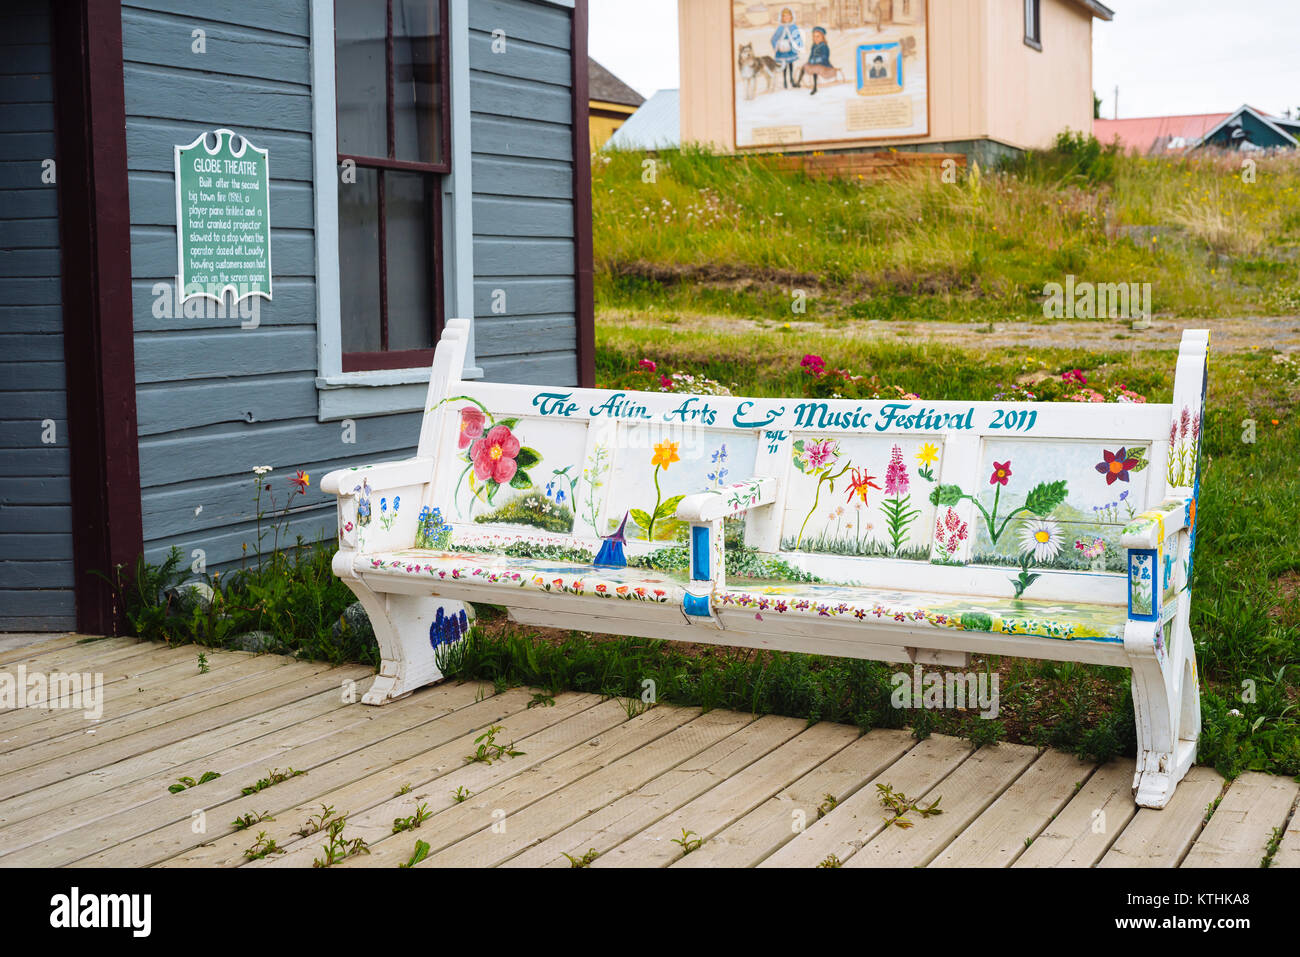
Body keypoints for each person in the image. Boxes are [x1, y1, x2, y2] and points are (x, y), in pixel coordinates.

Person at [770, 7, 803, 89]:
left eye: (788, 16)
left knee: (791, 64)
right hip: (782, 50)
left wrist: (798, 45)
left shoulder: (793, 27)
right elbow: (774, 38)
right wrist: (777, 45)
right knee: (784, 66)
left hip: (790, 50)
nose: (786, 18)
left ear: (791, 17)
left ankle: (791, 79)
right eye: (784, 16)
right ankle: (785, 81)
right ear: (782, 18)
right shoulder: (780, 28)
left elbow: (797, 36)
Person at [799, 27, 837, 95]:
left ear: (822, 37)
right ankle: (798, 82)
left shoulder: (824, 46)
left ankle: (815, 87)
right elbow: (811, 55)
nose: (816, 38)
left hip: (823, 64)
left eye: (818, 36)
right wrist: (810, 60)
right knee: (804, 66)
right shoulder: (814, 46)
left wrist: (816, 60)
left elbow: (825, 57)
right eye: (814, 36)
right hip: (814, 63)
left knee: (815, 69)